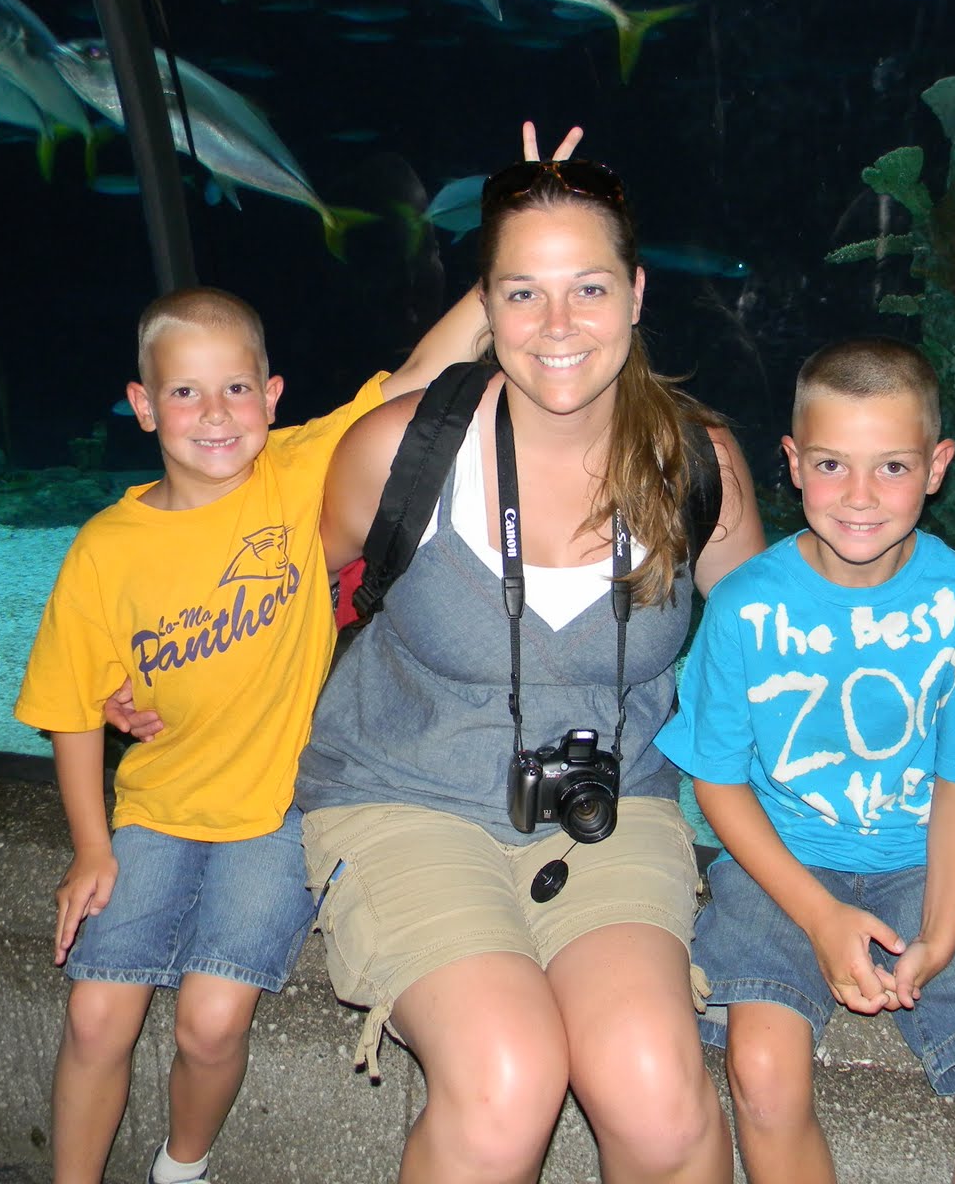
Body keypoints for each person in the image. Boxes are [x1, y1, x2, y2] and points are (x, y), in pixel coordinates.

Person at [289, 129, 765, 1184]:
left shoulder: (701, 464)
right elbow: (279, 602)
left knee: (656, 1089)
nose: (557, 326)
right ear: (485, 305)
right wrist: (162, 697)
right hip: (402, 798)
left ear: (637, 294)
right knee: (507, 1080)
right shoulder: (400, 452)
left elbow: (773, 659)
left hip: (612, 807)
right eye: (523, 292)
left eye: (588, 288)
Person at [13, 282, 481, 1184]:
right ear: (143, 405)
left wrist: (501, 270)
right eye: (185, 392)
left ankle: (180, 1168)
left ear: (271, 397)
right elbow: (69, 707)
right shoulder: (103, 548)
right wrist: (91, 847)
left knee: (212, 1021)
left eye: (236, 388)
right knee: (95, 1017)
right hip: (155, 807)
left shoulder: (297, 471)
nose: (215, 413)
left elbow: (421, 374)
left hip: (278, 812)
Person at [654, 338, 955, 1184]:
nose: (859, 496)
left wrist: (941, 935)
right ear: (792, 464)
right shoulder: (743, 606)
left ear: (937, 467)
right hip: (780, 865)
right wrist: (820, 915)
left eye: (892, 466)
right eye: (831, 465)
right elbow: (719, 781)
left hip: (925, 862)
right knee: (762, 1072)